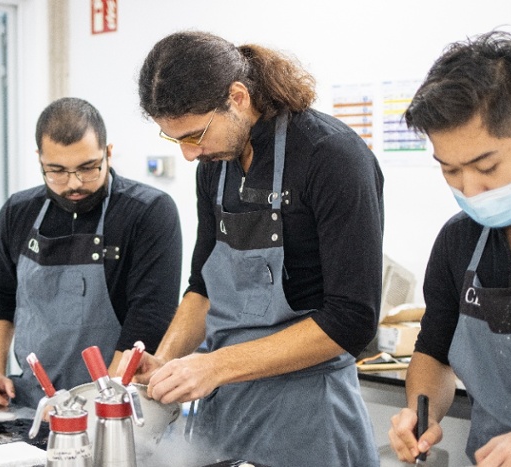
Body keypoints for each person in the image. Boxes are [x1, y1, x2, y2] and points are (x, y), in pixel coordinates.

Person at [117, 31, 384, 467]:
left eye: (195, 134)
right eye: (175, 140)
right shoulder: (215, 165)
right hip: (223, 415)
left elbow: (351, 319)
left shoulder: (331, 156)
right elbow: (203, 286)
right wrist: (164, 365)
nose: (187, 154)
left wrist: (215, 366)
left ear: (238, 97)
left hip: (308, 417)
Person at [0, 97, 182, 409]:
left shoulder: (147, 211)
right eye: (56, 171)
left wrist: (102, 402)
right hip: (34, 403)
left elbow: (150, 315)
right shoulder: (18, 212)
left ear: (108, 153)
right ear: (39, 160)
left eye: (88, 168)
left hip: (118, 404)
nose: (74, 183)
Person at [389, 31, 511, 467]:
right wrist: (419, 411)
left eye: (487, 167)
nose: (471, 189)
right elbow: (434, 350)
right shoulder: (460, 240)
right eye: (450, 171)